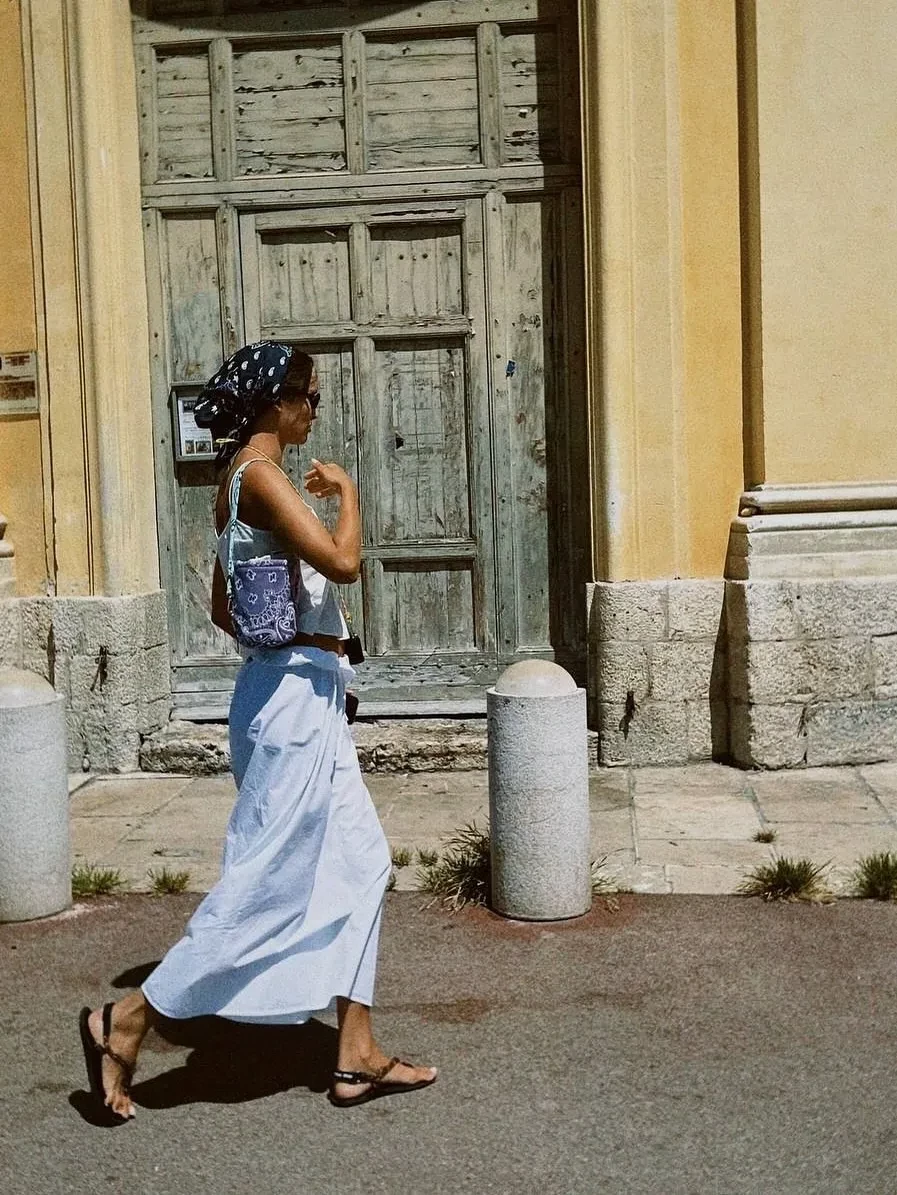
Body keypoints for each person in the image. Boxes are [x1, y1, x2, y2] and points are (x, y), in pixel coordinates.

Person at [78, 341, 436, 1120]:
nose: (314, 411)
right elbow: (344, 562)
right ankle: (128, 1017)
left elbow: (221, 608)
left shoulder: (236, 481)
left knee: (362, 863)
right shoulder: (263, 477)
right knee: (268, 880)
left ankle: (355, 1050)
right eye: (309, 397)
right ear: (276, 401)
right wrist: (348, 494)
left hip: (296, 693)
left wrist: (290, 635)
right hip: (291, 704)